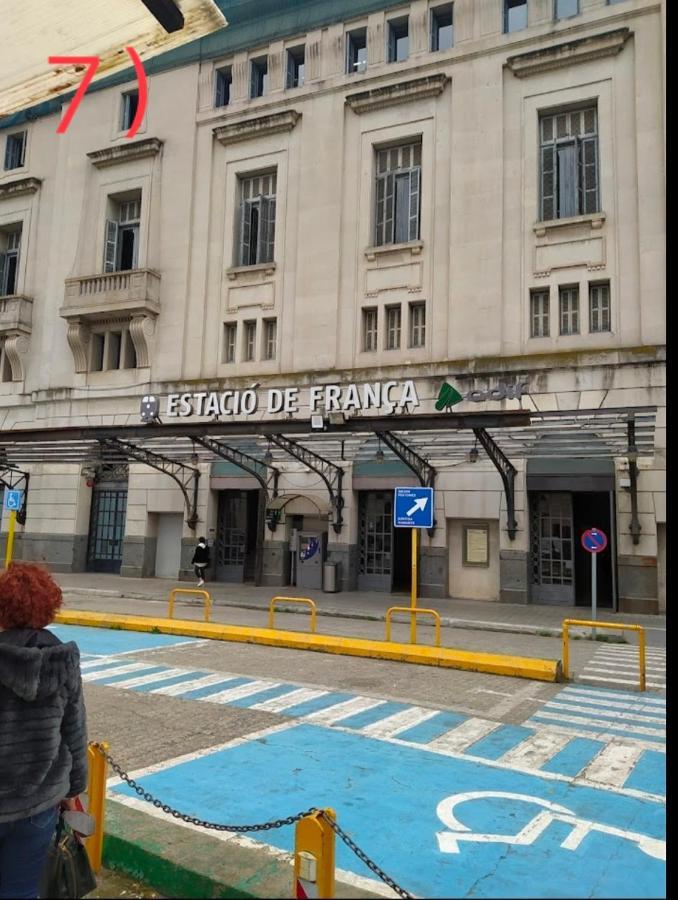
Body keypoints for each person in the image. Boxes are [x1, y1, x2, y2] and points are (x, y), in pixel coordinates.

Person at [0, 563, 88, 900]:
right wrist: (74, 789)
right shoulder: (63, 660)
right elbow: (75, 732)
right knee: (21, 891)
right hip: (39, 802)